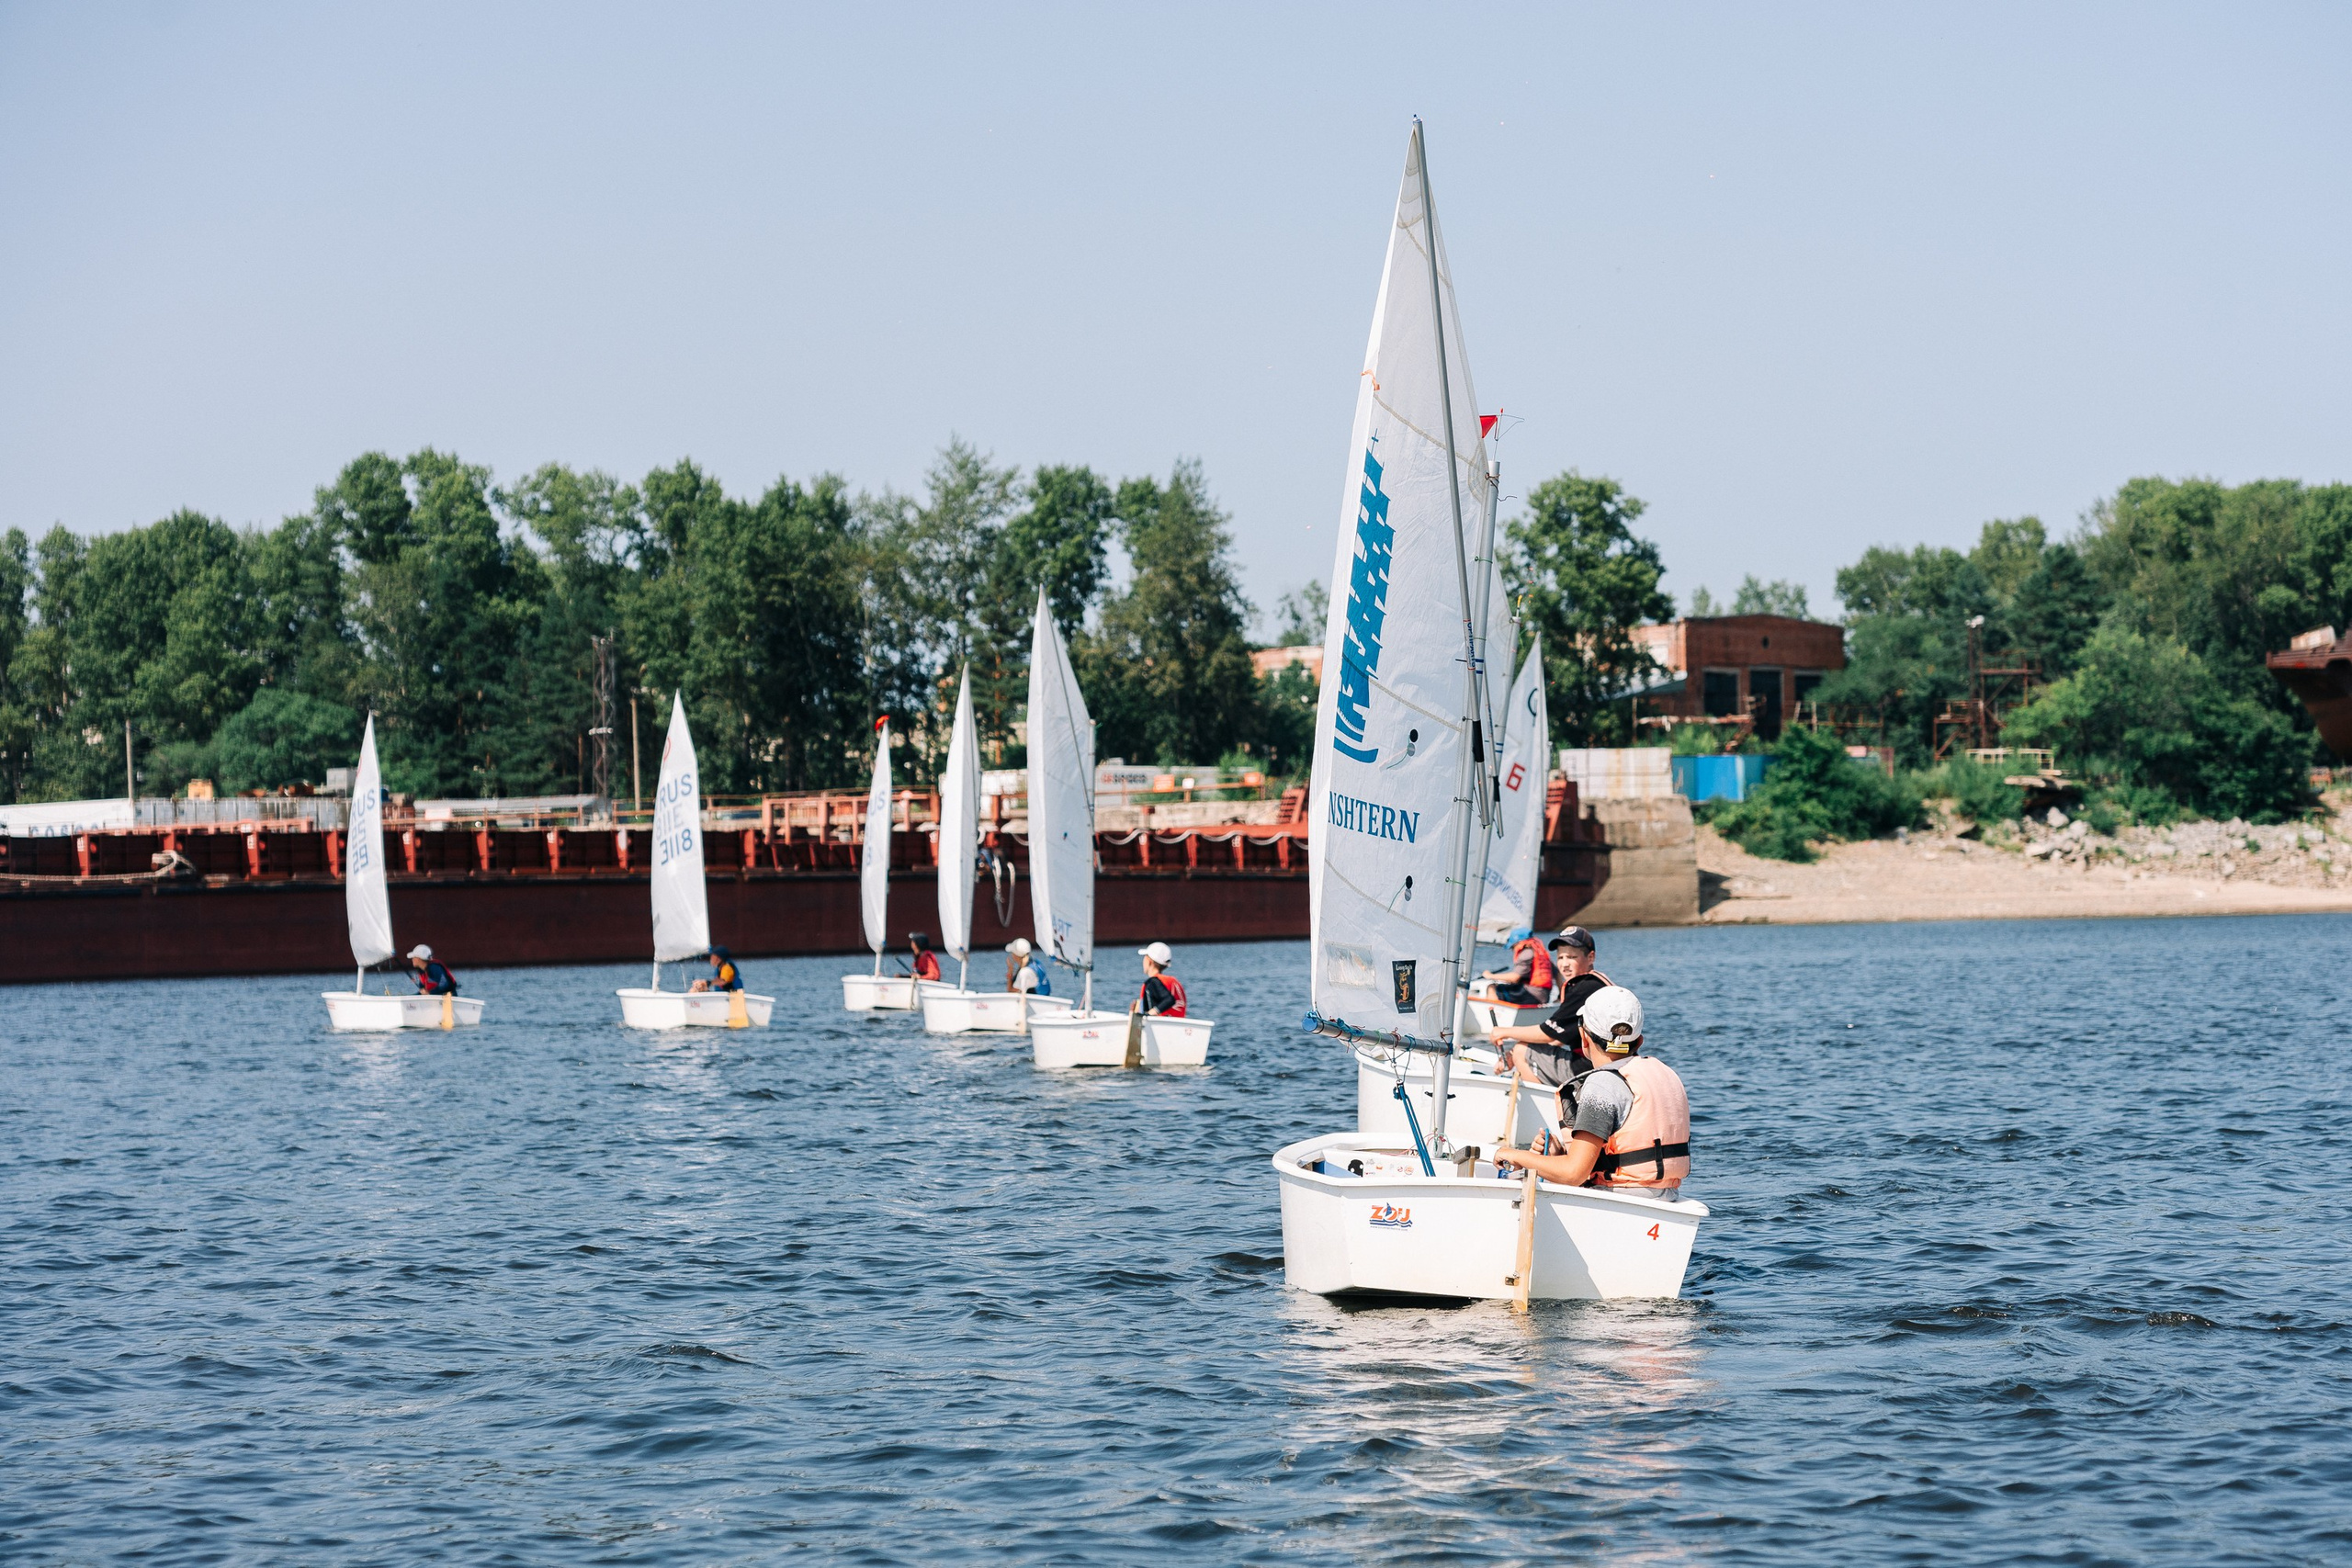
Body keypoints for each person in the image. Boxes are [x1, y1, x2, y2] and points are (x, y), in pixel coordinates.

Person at [1495, 985, 1690, 1200]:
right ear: (1639, 1041)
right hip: (1666, 1196)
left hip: (1623, 1200)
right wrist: (1557, 1158)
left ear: (1584, 1038)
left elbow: (1574, 1174)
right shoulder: (1665, 1073)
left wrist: (1513, 1155)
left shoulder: (1602, 1084)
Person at [1487, 925, 1607, 1088]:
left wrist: (1503, 1032)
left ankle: (1545, 1104)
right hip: (1602, 1068)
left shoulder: (1584, 988)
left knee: (1523, 1051)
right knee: (1520, 1049)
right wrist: (1511, 1053)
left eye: (1572, 957)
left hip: (1592, 1072)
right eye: (1561, 957)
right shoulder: (1595, 982)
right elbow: (1559, 1036)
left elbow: (1548, 1033)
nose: (1564, 964)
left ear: (1591, 957)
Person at [1476, 927, 1555, 1005]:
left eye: (1512, 947)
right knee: (1510, 988)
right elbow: (1557, 974)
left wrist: (1490, 976)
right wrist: (1560, 997)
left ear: (1517, 943)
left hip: (1533, 995)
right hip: (1544, 995)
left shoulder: (1526, 954)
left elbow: (1515, 978)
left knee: (1492, 987)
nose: (1513, 950)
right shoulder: (1540, 953)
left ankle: (1495, 1015)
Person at [1136, 942, 1186, 1016]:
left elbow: (1169, 1000)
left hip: (1160, 1025)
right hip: (1179, 1024)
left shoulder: (1153, 982)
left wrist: (1150, 1014)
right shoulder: (1173, 981)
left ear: (1149, 961)